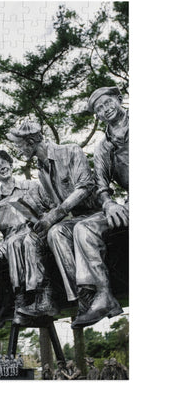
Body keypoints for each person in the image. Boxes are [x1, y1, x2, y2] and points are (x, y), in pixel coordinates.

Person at [7, 119, 122, 328]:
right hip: (74, 219)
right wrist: (39, 219)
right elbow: (54, 204)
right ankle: (46, 297)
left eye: (19, 144)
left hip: (96, 214)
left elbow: (85, 186)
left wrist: (56, 214)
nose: (18, 150)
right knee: (34, 237)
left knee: (57, 232)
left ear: (31, 140)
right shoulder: (42, 171)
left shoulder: (70, 151)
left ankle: (86, 295)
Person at [70, 86, 128, 328]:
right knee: (83, 228)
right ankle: (104, 295)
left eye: (107, 102)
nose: (105, 110)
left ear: (118, 98)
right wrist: (109, 203)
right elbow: (101, 185)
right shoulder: (103, 147)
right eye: (99, 109)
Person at [0, 150, 58, 322]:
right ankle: (21, 300)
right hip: (12, 241)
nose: (2, 166)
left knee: (22, 241)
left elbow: (53, 206)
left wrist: (45, 220)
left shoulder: (31, 186)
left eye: (5, 162)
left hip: (36, 231)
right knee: (13, 243)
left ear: (11, 165)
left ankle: (43, 296)